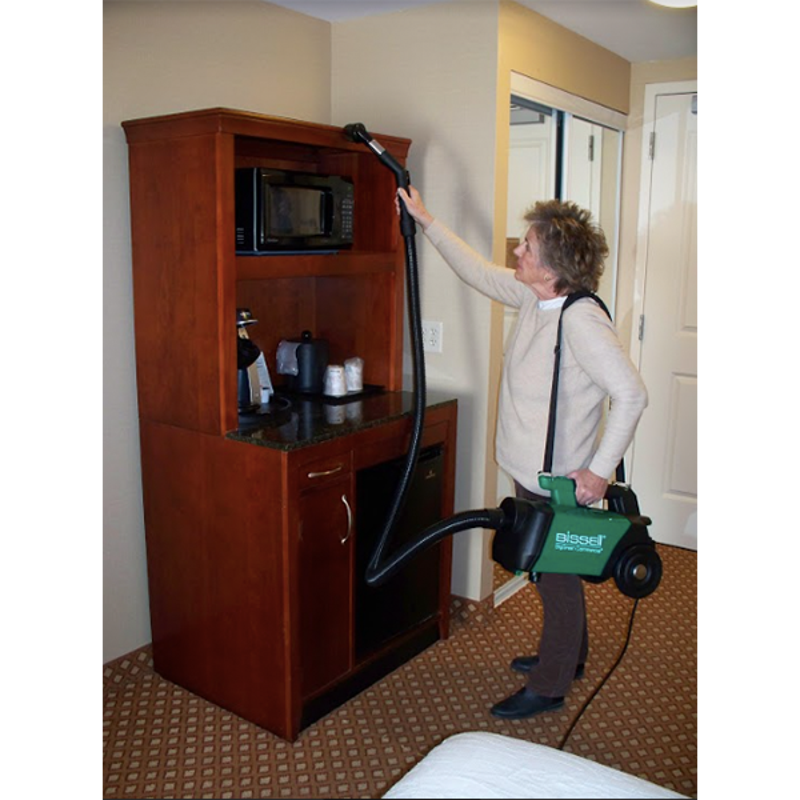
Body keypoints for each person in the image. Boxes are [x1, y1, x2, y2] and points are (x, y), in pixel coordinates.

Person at [397, 186, 648, 719]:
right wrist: (426, 219)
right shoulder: (536, 298)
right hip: (529, 471)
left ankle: (550, 684)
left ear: (552, 265)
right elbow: (478, 272)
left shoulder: (580, 320)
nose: (517, 252)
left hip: (555, 483)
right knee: (549, 573)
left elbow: (631, 393)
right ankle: (571, 656)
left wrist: (599, 474)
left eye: (527, 247)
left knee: (553, 580)